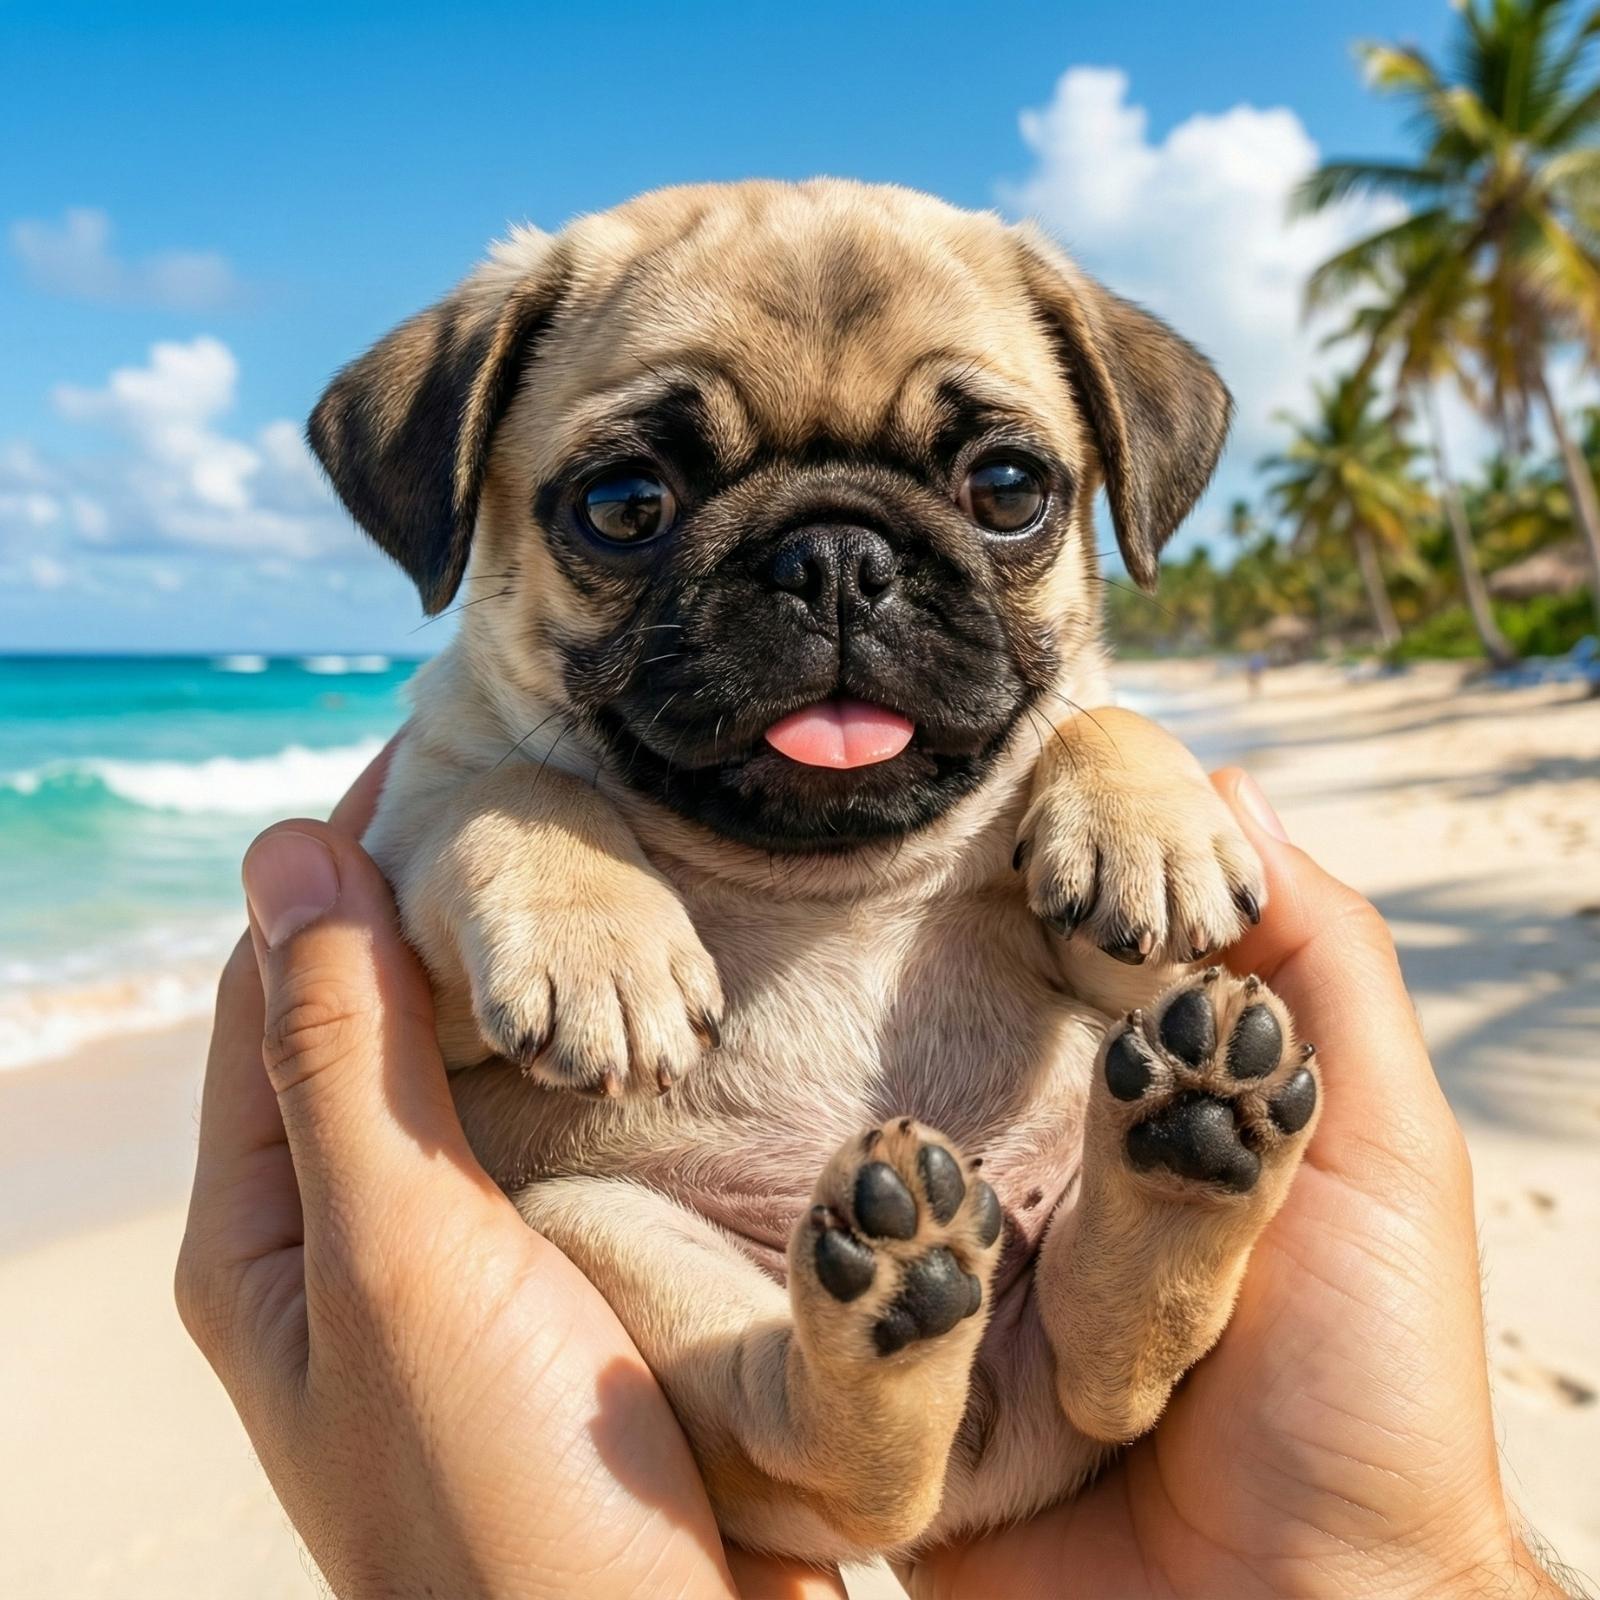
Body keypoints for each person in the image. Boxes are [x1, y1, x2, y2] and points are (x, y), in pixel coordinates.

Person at [175, 747, 1577, 1599]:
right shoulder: (502, 778)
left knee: (1141, 1024)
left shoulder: (1051, 766)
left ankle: (1127, 1307)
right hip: (732, 1349)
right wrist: (526, 847)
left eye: (1001, 491)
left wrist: (1116, 762)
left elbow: (1128, 940)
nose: (836, 579)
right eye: (628, 505)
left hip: (1083, 1393)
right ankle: (836, 1407)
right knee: (580, 1218)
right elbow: (466, 977)